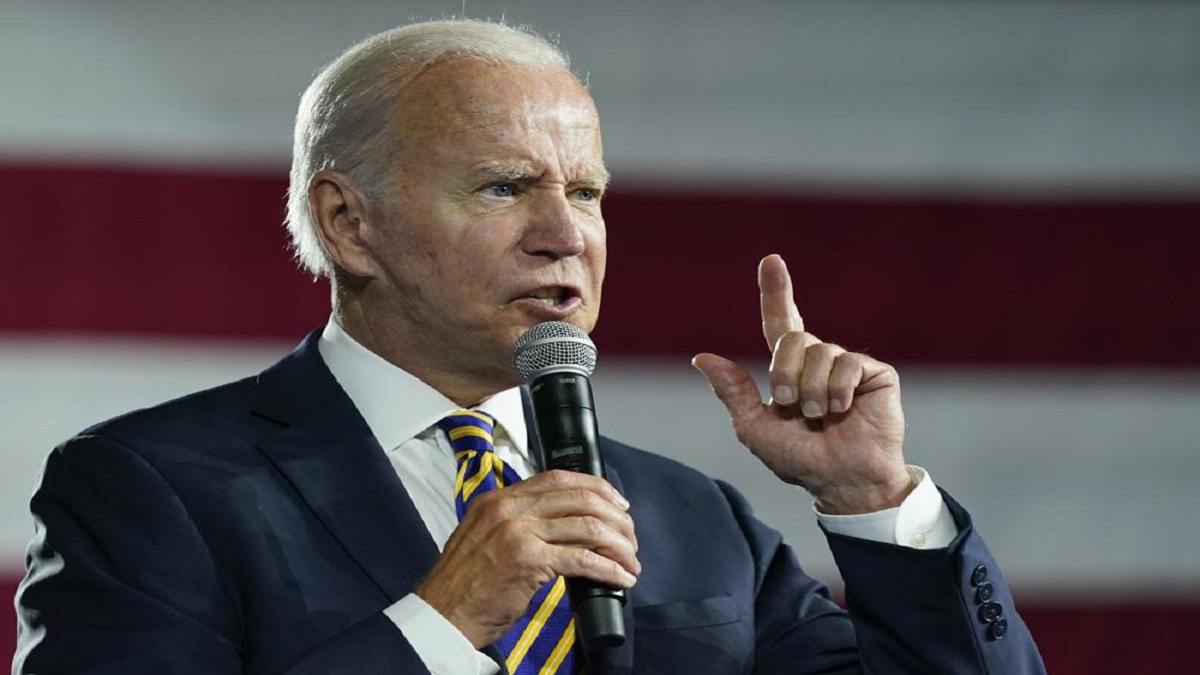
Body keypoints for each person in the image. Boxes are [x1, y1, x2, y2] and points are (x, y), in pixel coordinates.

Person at [13, 19, 1045, 674]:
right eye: (506, 186)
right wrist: (436, 626)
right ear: (347, 223)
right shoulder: (151, 490)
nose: (567, 233)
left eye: (586, 191)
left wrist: (875, 506)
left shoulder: (696, 520)